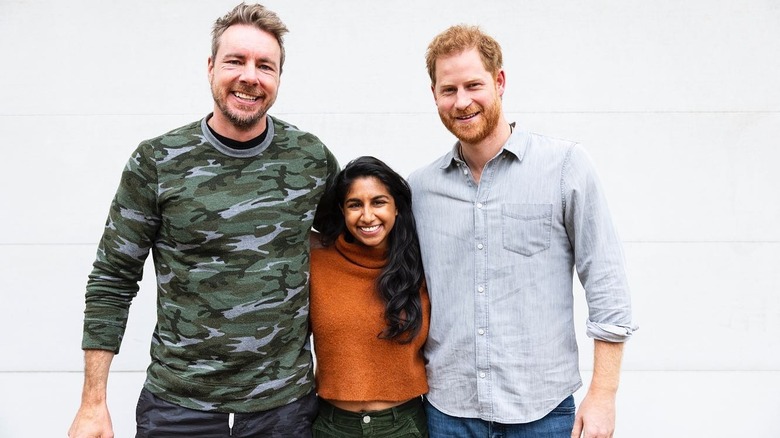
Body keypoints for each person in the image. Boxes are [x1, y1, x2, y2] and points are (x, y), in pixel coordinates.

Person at [68, 3, 339, 437]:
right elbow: (112, 278)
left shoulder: (310, 159)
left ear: (278, 78)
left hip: (283, 410)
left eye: (265, 65)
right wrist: (92, 403)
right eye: (236, 61)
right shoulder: (157, 161)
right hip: (178, 408)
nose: (250, 76)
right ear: (211, 67)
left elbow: (347, 250)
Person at [408, 25, 637, 438]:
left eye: (473, 85)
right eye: (448, 90)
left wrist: (603, 395)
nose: (462, 102)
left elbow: (607, 284)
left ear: (499, 82)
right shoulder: (420, 189)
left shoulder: (565, 167)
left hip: (544, 414)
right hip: (448, 414)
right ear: (434, 95)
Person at [309, 156, 430, 437]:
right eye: (355, 204)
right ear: (342, 210)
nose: (367, 216)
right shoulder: (316, 260)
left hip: (403, 426)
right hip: (332, 426)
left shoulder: (422, 263)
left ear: (396, 207)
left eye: (378, 202)